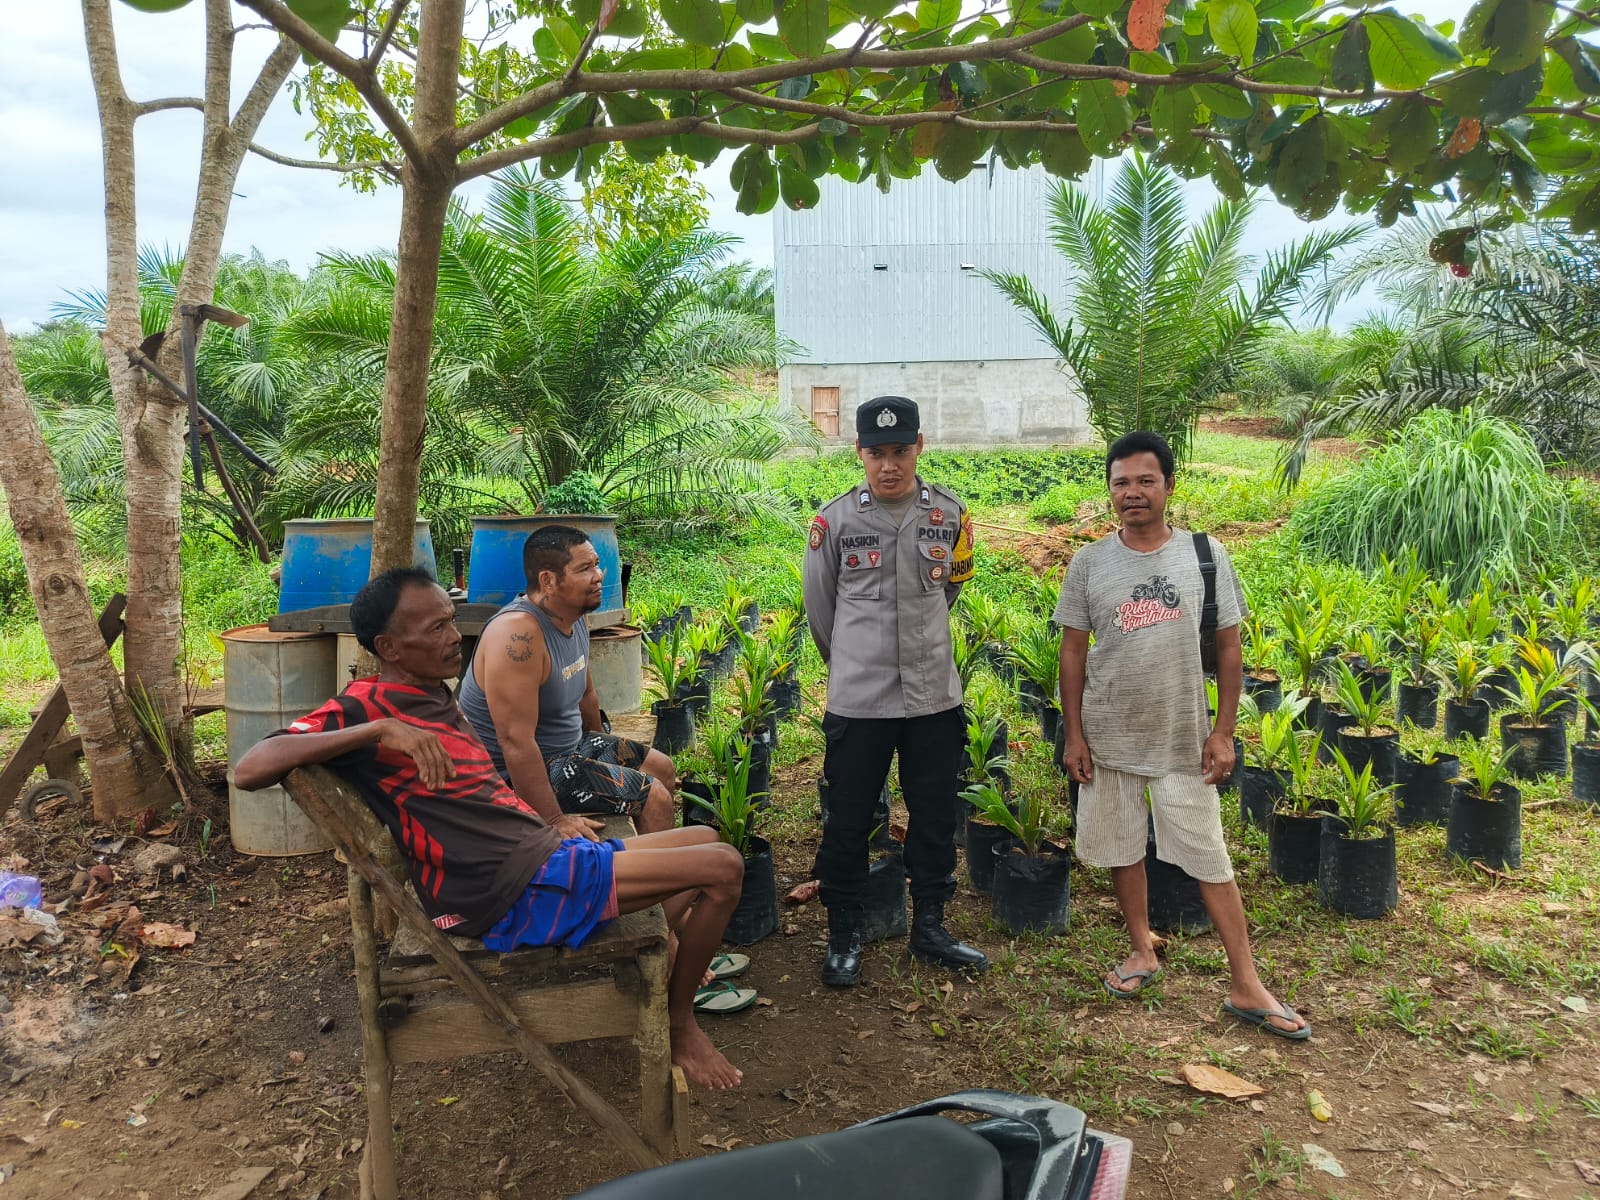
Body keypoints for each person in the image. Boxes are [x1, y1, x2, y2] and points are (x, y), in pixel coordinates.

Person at [234, 567, 747, 1088]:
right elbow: (252, 766)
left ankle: (673, 966)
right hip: (506, 888)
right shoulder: (364, 706)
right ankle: (679, 1023)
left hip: (535, 857)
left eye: (451, 622)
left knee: (707, 842)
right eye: (434, 629)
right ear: (388, 647)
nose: (454, 637)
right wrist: (381, 729)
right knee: (724, 869)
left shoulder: (433, 692)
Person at [1056, 431, 1310, 1040]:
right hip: (1110, 734)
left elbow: (1229, 648)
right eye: (1121, 483)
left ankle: (1246, 983)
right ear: (1110, 491)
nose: (1132, 493)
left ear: (1170, 485)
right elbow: (1071, 653)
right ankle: (1143, 949)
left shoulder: (1204, 555)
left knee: (1208, 856)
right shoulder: (1090, 563)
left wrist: (1224, 731)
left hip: (1181, 738)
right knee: (1121, 847)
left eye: (1146, 481)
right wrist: (1074, 735)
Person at [802, 395, 989, 987]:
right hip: (860, 699)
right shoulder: (834, 522)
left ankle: (930, 925)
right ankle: (844, 933)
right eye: (876, 453)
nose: (889, 464)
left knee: (935, 814)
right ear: (858, 452)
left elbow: (950, 591)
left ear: (919, 447)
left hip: (934, 697)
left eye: (900, 451)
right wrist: (856, 663)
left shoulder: (951, 515)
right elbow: (820, 610)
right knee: (850, 818)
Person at [459, 526, 676, 837]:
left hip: (568, 749)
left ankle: (669, 867)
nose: (599, 575)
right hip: (509, 775)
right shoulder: (519, 637)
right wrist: (554, 820)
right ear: (548, 580)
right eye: (585, 568)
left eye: (597, 564)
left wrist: (603, 750)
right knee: (652, 796)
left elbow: (585, 692)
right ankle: (655, 880)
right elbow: (515, 742)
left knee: (662, 768)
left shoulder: (575, 616)